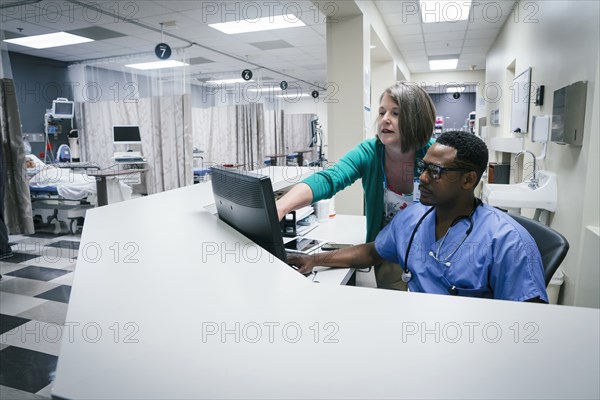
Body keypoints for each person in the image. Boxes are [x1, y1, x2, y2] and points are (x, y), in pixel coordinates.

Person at [287, 131, 548, 302]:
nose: (422, 178)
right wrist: (314, 259)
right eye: (423, 168)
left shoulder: (509, 242)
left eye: (435, 172)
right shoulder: (414, 217)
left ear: (468, 180)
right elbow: (372, 252)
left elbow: (529, 321)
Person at [276, 81, 437, 290]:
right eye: (382, 112)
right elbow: (330, 178)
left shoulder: (434, 155)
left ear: (416, 119)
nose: (385, 119)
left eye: (396, 113)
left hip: (431, 252)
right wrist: (281, 207)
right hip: (386, 252)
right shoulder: (370, 152)